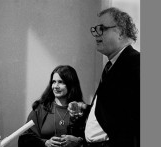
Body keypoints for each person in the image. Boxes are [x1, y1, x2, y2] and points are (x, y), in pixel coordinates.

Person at [70, 7, 140, 147]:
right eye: (95, 30)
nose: (96, 34)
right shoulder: (112, 65)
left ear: (120, 32)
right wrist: (86, 109)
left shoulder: (137, 64)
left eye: (101, 28)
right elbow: (114, 111)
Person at [18, 65, 89, 147]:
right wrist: (45, 143)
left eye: (61, 82)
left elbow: (96, 139)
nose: (55, 86)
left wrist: (78, 142)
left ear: (71, 84)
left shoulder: (80, 110)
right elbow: (24, 139)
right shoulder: (41, 109)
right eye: (53, 82)